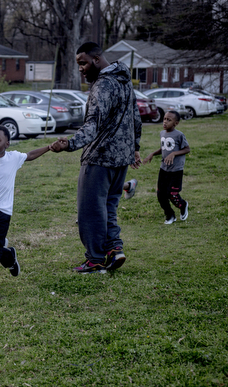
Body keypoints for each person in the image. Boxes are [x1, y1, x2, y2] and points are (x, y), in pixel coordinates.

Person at [51, 41, 142, 274]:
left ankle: (95, 260)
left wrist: (70, 144)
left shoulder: (103, 85)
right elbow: (136, 117)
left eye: (83, 63)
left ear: (97, 60)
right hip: (121, 159)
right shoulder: (124, 81)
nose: (80, 68)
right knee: (108, 206)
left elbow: (93, 125)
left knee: (90, 211)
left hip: (99, 159)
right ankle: (114, 249)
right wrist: (135, 147)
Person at [0, 125, 53, 303]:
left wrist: (48, 147)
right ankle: (8, 256)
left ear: (7, 143)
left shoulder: (13, 158)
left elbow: (30, 155)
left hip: (2, 212)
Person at [142, 111, 190, 224]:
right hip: (164, 169)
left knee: (172, 194)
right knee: (160, 195)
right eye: (164, 119)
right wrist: (152, 154)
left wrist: (174, 154)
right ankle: (170, 215)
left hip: (176, 170)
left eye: (169, 120)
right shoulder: (162, 133)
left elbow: (187, 149)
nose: (165, 122)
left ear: (176, 123)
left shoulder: (179, 135)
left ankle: (183, 205)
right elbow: (163, 149)